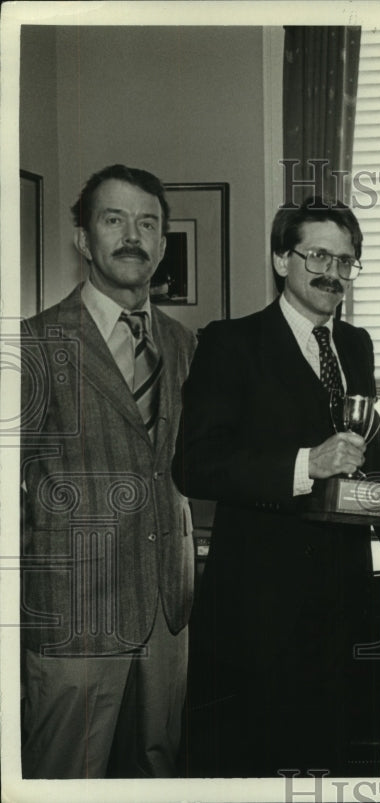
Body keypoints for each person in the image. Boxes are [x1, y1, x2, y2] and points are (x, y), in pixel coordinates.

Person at [172, 197, 380, 777]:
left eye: (346, 261)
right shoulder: (230, 342)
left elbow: (365, 456)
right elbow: (195, 464)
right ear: (279, 258)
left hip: (344, 599)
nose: (333, 273)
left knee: (333, 756)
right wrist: (303, 464)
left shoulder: (357, 345)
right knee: (260, 759)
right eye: (318, 255)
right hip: (259, 605)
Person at [20, 164, 197, 778]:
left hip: (165, 608)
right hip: (75, 613)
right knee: (69, 773)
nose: (132, 236)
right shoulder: (34, 345)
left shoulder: (183, 344)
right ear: (82, 239)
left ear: (163, 242)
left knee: (157, 770)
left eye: (147, 223)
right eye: (113, 219)